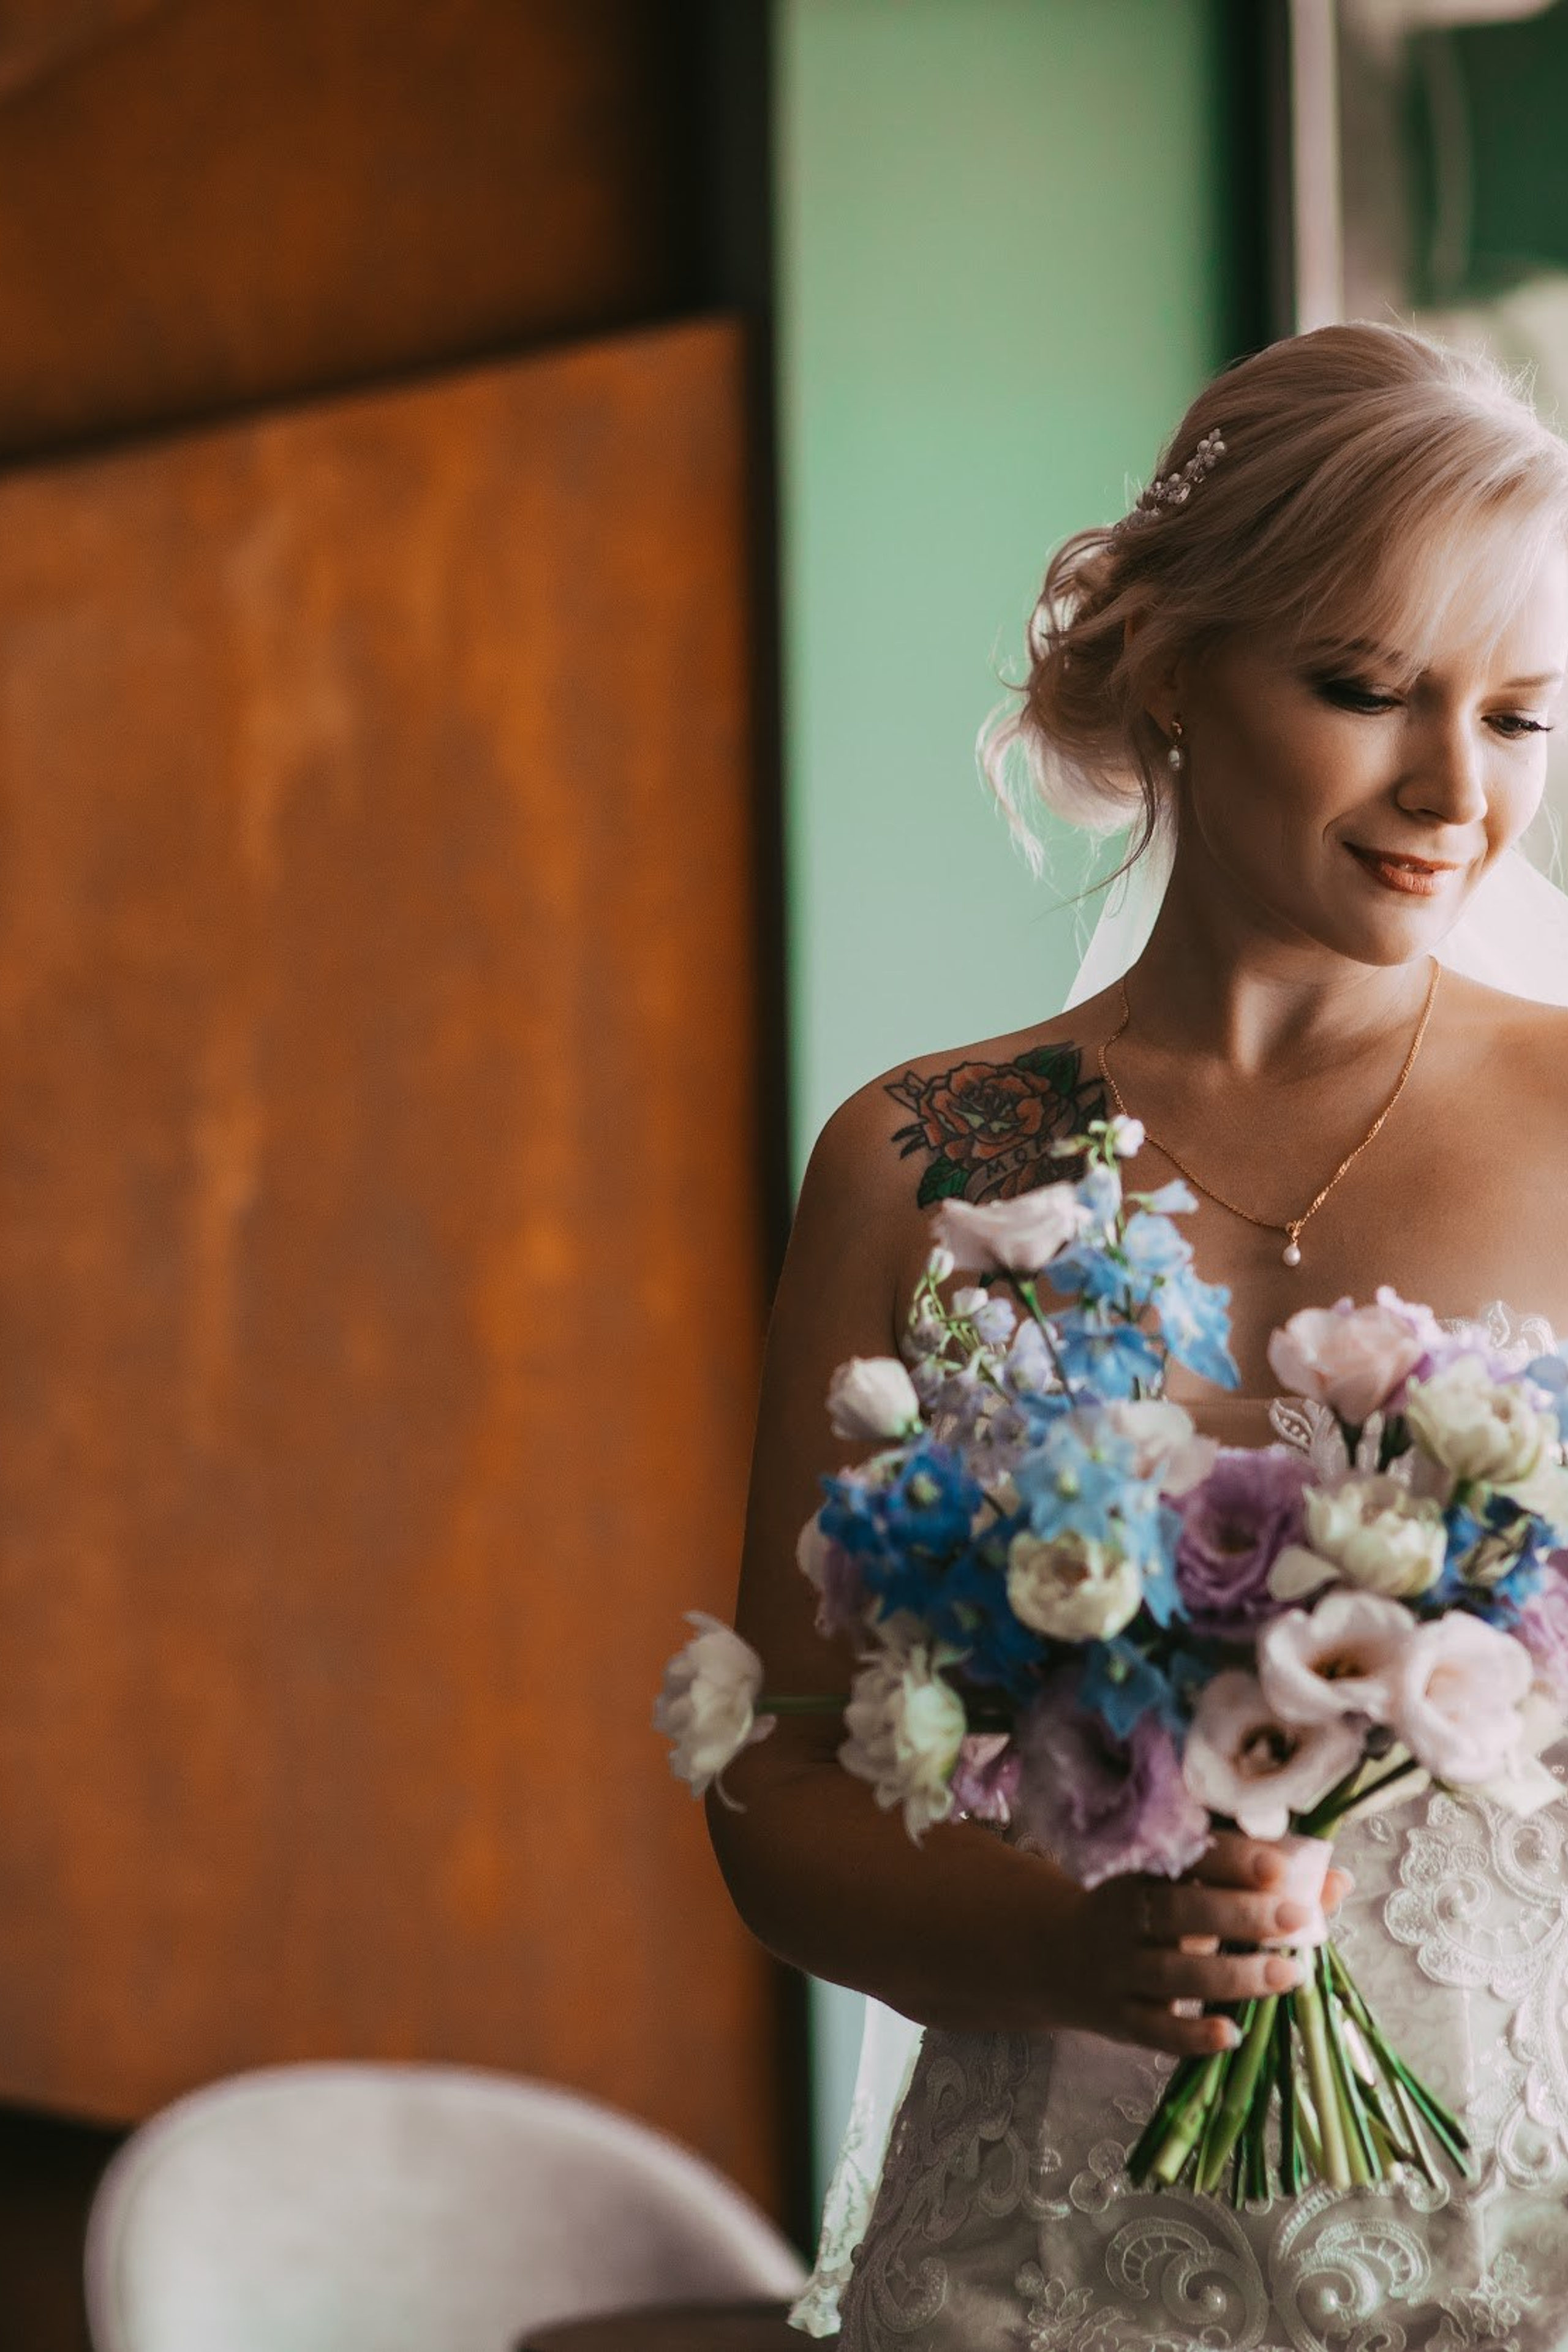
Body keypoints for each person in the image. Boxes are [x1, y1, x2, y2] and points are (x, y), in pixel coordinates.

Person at [710, 322, 1568, 2351]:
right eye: (1368, 691)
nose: (1458, 790)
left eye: (1525, 716)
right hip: (1052, 2259)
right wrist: (1079, 1945)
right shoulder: (945, 1149)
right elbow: (783, 1781)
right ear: (1171, 669)